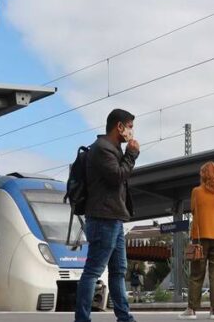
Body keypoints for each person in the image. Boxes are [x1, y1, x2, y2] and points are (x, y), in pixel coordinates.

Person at [75, 109, 140, 322]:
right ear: (119, 127)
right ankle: (82, 319)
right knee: (93, 271)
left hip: (113, 217)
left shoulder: (111, 149)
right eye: (129, 126)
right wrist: (131, 154)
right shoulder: (102, 149)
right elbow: (117, 177)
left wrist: (127, 154)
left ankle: (124, 317)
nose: (131, 131)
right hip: (104, 216)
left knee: (118, 270)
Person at [179, 162, 214, 320]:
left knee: (196, 274)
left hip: (200, 238)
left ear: (203, 175)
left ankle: (192, 310)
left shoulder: (196, 192)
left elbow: (194, 211)